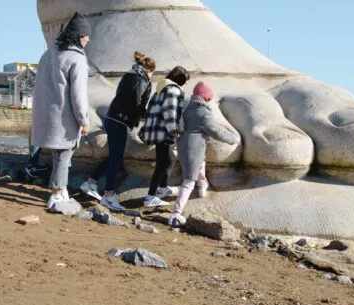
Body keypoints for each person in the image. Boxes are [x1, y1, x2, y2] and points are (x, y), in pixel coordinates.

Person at [31, 12, 91, 209]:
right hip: (64, 117)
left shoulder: (48, 54)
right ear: (79, 36)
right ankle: (56, 194)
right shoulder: (76, 58)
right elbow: (78, 95)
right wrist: (84, 120)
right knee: (64, 154)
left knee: (58, 155)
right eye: (86, 35)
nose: (88, 39)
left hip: (46, 114)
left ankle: (62, 190)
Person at [80, 51, 155, 210]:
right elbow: (136, 103)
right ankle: (108, 196)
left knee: (114, 156)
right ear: (150, 70)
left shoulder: (129, 75)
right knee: (116, 159)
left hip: (112, 118)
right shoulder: (141, 80)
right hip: (119, 121)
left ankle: (90, 183)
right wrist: (146, 115)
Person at [168, 81, 238, 227]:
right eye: (208, 98)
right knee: (188, 181)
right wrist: (233, 139)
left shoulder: (189, 108)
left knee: (201, 164)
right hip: (194, 147)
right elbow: (215, 131)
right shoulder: (203, 113)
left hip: (185, 143)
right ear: (205, 97)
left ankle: (202, 186)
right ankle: (176, 213)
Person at [140, 66, 190, 207]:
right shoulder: (173, 90)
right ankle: (150, 197)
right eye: (185, 80)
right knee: (162, 164)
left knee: (169, 160)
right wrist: (173, 130)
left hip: (157, 131)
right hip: (164, 131)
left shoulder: (160, 90)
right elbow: (170, 111)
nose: (186, 84)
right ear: (180, 79)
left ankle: (162, 188)